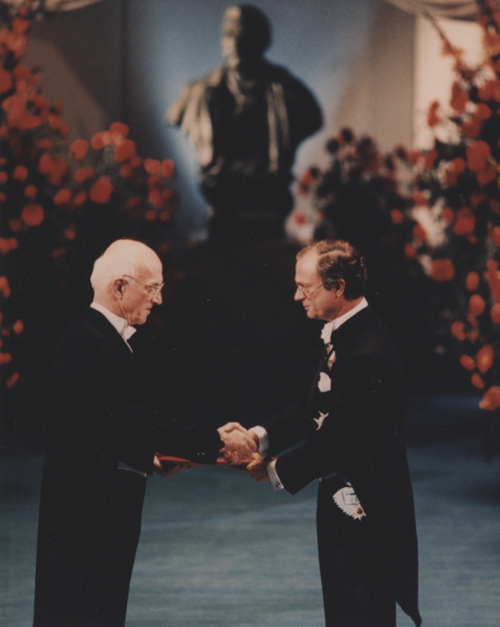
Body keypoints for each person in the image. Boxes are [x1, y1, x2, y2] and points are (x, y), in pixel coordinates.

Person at [32, 239, 256, 627]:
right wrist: (218, 443)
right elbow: (138, 422)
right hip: (89, 518)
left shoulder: (95, 337)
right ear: (120, 287)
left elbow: (106, 427)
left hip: (91, 510)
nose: (160, 300)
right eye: (153, 289)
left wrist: (151, 458)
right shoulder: (92, 342)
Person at [242, 239, 422, 627]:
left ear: (337, 287)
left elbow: (341, 438)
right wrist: (259, 436)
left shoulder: (365, 352)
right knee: (343, 607)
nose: (296, 296)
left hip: (365, 505)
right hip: (344, 493)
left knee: (361, 610)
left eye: (304, 287)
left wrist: (274, 470)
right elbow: (315, 408)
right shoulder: (346, 333)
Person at [166, 4, 322, 241]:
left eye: (244, 33)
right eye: (228, 33)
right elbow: (175, 116)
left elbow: (313, 119)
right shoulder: (198, 92)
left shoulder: (289, 91)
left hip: (271, 192)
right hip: (221, 191)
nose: (235, 41)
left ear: (261, 39)